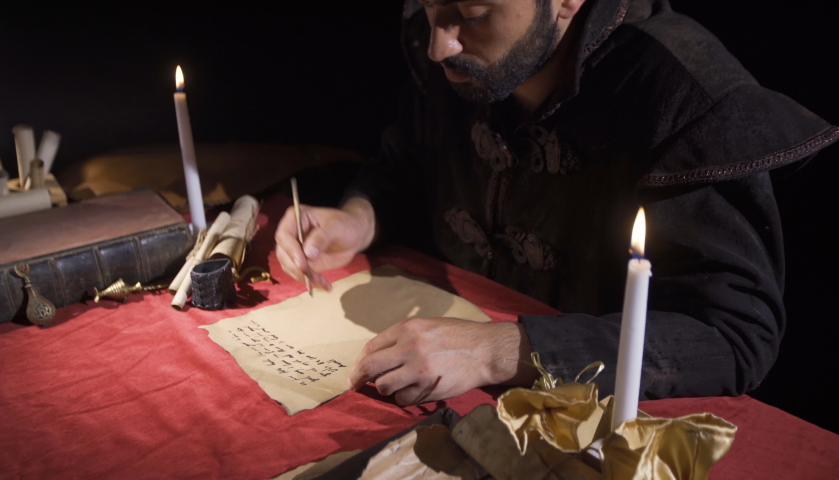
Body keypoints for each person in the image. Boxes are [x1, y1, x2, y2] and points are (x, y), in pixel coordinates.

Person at [275, 0, 837, 406]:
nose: (438, 45)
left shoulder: (682, 98)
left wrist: (502, 350)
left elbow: (733, 337)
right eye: (429, 10)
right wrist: (357, 218)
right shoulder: (451, 42)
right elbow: (405, 167)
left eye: (472, 15)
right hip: (444, 379)